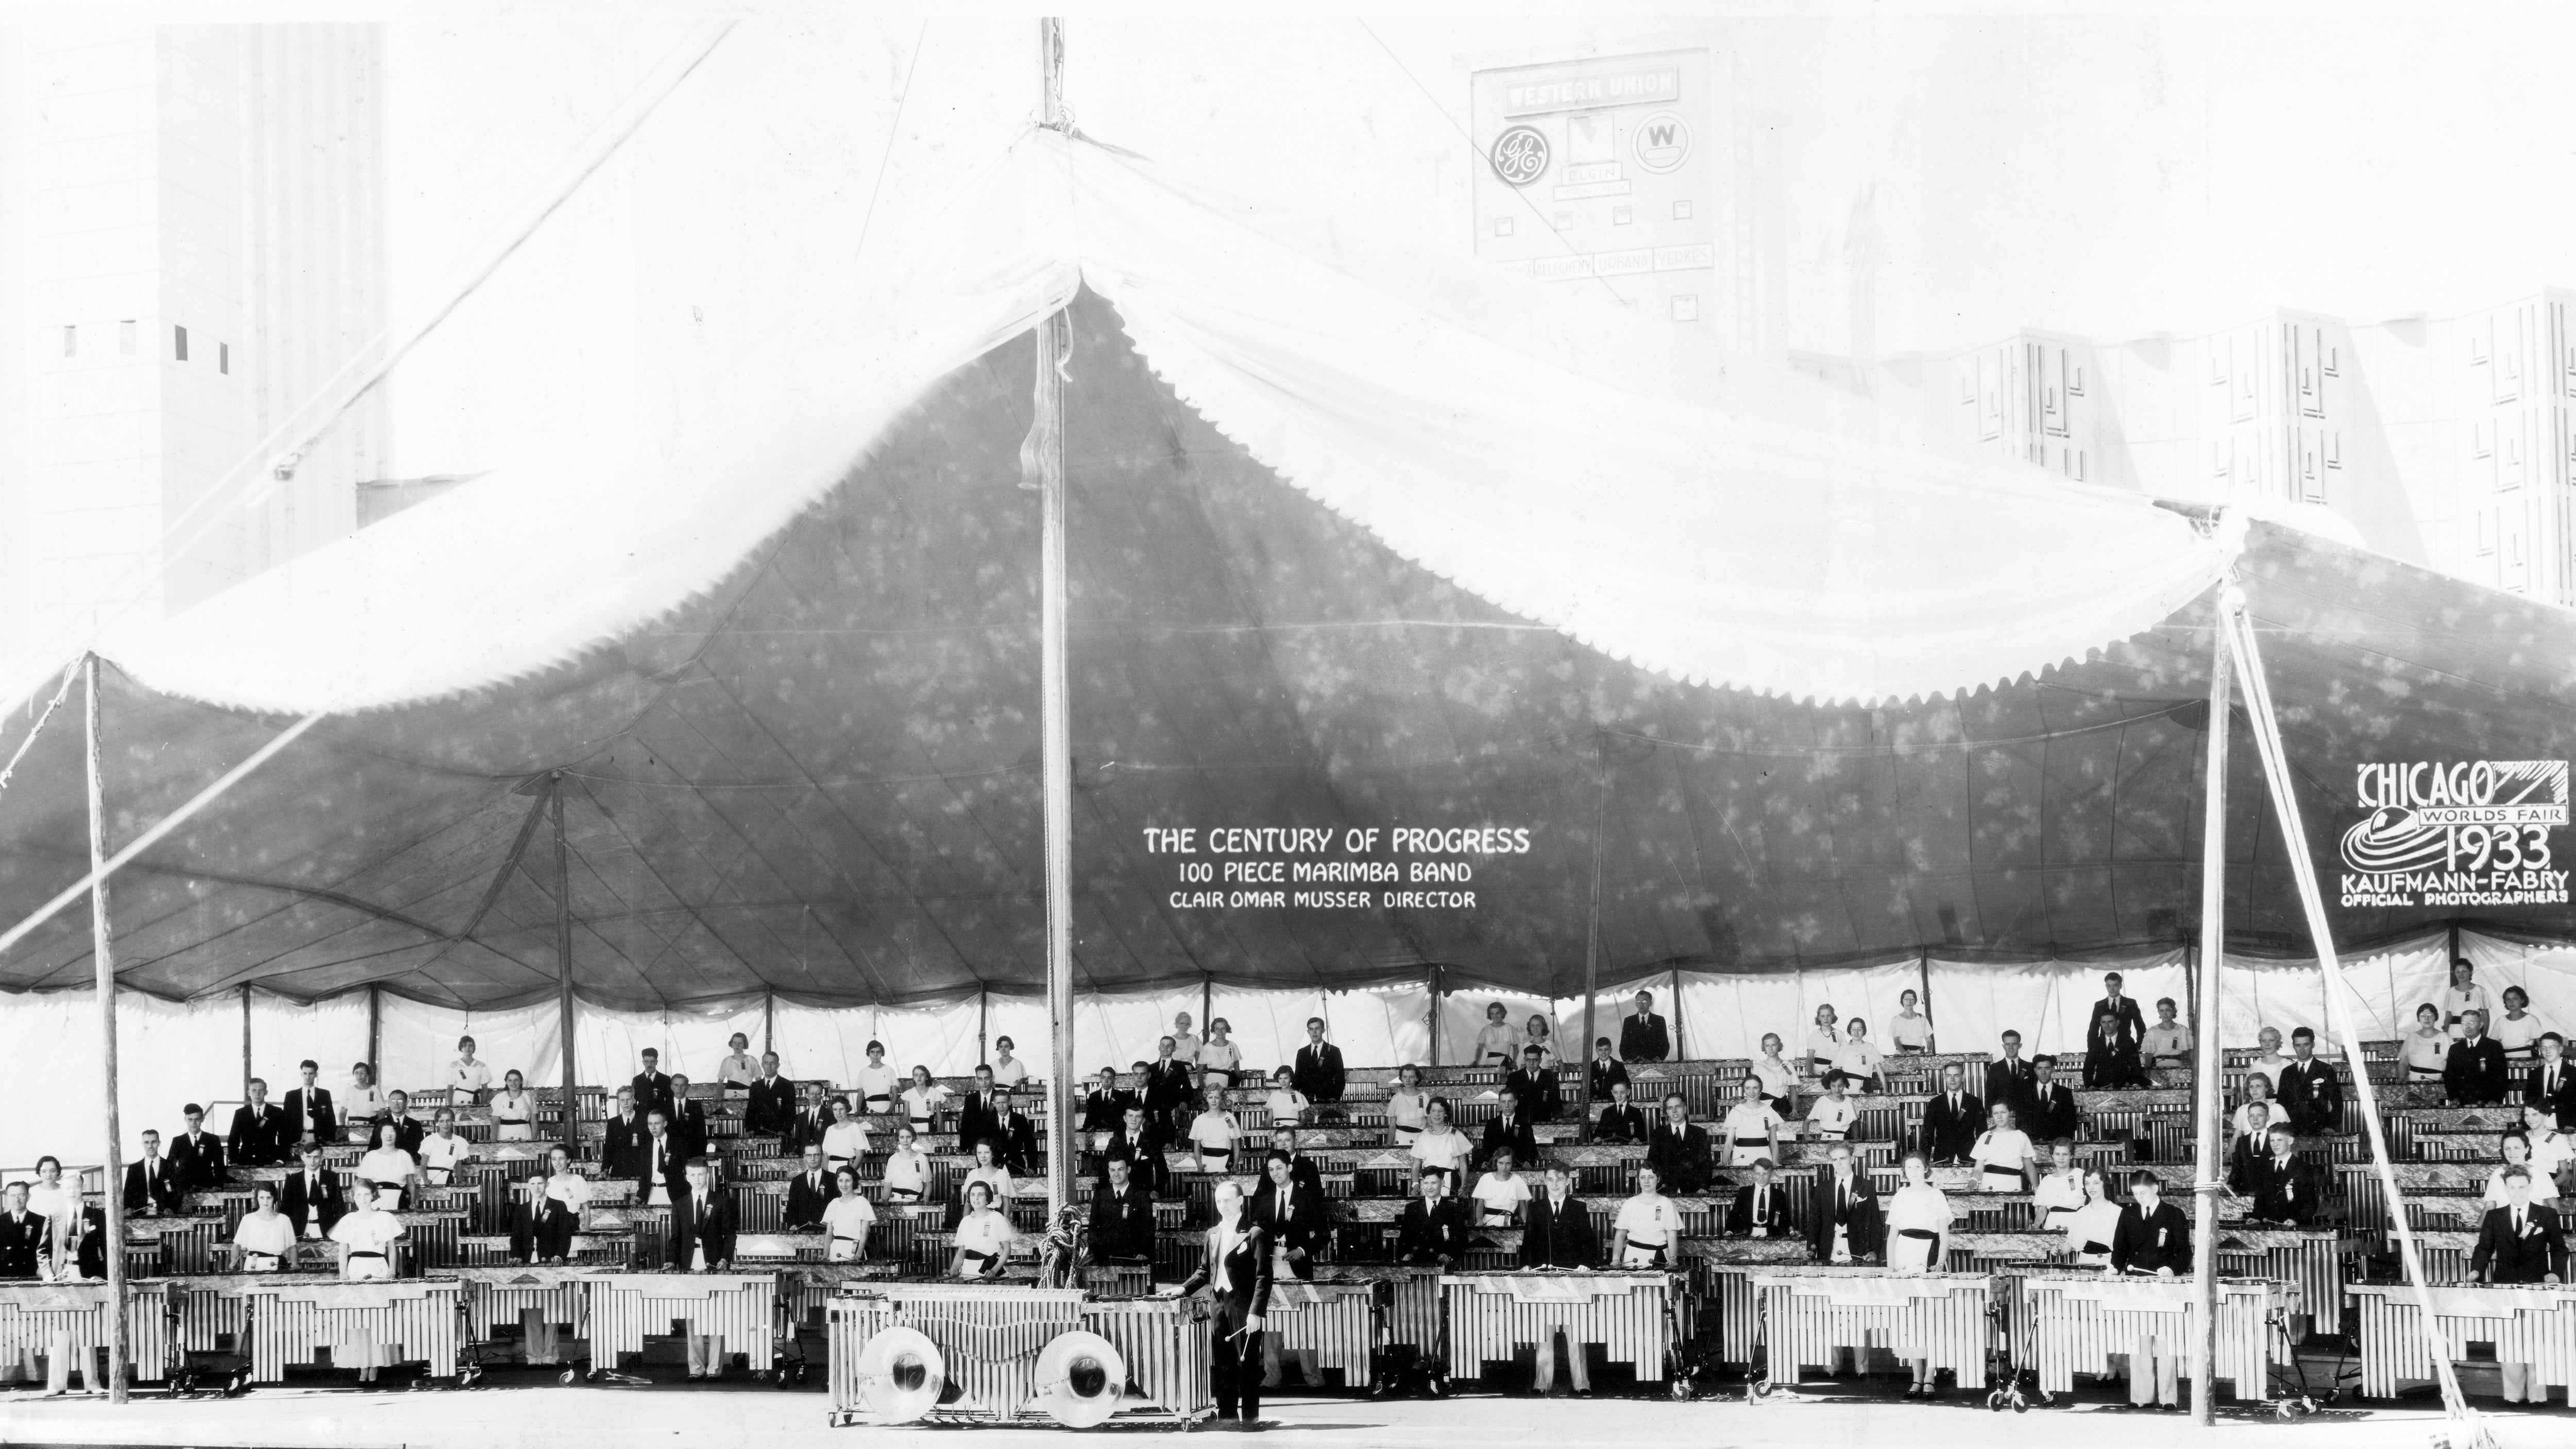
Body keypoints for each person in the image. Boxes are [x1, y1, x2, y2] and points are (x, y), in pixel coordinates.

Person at [1167, 1178, 1272, 1427]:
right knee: (1224, 1363)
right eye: (1218, 1201)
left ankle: (1250, 1418)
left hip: (1244, 1307)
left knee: (1246, 1364)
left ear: (1240, 1201)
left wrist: (1256, 1313)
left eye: (1227, 1200)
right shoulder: (1212, 1234)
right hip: (1218, 1304)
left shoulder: (1254, 1233)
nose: (1222, 1205)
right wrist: (1183, 1288)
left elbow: (1264, 1277)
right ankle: (1226, 1415)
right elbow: (1205, 1270)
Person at [2475, 1165, 2569, 1404]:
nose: (2517, 1191)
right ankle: (2513, 1397)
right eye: (2512, 1187)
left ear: (2530, 1187)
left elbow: (2560, 1250)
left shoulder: (2546, 1215)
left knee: (2538, 1341)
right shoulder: (2495, 1217)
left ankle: (2538, 1398)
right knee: (2509, 1341)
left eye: (2522, 1187)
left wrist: (2556, 1273)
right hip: (2505, 1287)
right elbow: (2484, 1248)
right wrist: (2477, 1270)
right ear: (2505, 1188)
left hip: (2538, 1286)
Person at [2108, 1170, 2190, 1410]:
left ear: (2155, 1188)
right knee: (2140, 1342)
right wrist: (2115, 1268)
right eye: (2135, 1194)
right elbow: (2120, 1247)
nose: (2139, 1198)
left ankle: (2168, 1398)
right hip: (2136, 1285)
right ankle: (2141, 1395)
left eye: (2143, 1193)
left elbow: (2185, 1253)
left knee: (2165, 1342)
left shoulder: (2174, 1214)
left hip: (2164, 1285)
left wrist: (2172, 1269)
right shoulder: (2129, 1213)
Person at [1253, 1151, 1328, 1389]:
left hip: (1297, 1264)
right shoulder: (1263, 1199)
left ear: (1290, 1168)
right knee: (1271, 1323)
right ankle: (1272, 1376)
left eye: (1280, 1168)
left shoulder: (1307, 1197)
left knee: (1305, 1322)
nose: (1275, 1174)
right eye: (1271, 1170)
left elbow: (1324, 1235)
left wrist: (1303, 1250)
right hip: (1270, 1266)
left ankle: (1314, 1378)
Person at [1885, 1152, 1955, 1397]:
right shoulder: (1900, 1196)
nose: (1914, 1171)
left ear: (1926, 1169)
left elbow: (1945, 1236)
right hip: (1905, 1255)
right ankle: (1916, 1378)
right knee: (1911, 1320)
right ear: (1904, 1171)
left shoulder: (1936, 1195)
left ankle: (1930, 1377)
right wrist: (1891, 1267)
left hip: (1929, 1254)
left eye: (1918, 1166)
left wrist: (1939, 1262)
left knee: (1932, 1319)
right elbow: (1892, 1236)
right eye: (1909, 1167)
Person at [333, 1183, 406, 1380]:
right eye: (359, 1195)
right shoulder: (348, 1219)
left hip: (378, 1267)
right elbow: (342, 1251)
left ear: (373, 1196)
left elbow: (391, 1247)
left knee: (378, 1318)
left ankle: (375, 1365)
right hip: (356, 1267)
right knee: (358, 1318)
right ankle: (362, 1365)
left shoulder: (385, 1218)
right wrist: (343, 1274)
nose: (363, 1199)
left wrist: (392, 1269)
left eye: (367, 1195)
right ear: (353, 1197)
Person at [2233, 1122, 2328, 1224]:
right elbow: (2260, 1200)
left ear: (2290, 1141)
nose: (2275, 1144)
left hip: (2293, 1228)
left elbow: (2310, 1203)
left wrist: (2296, 1220)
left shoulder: (2303, 1168)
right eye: (2272, 1140)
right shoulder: (2264, 1167)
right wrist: (2257, 1218)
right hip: (2268, 1229)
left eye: (2280, 1140)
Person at [1808, 1141, 1884, 1266]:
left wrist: (1874, 1251)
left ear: (1852, 1159)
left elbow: (1875, 1223)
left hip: (1859, 1252)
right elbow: (1814, 1222)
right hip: (1828, 1250)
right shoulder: (1823, 1188)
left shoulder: (1866, 1186)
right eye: (1834, 1159)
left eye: (1843, 1158)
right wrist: (1810, 1249)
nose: (1838, 1163)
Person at [1611, 1164, 1685, 1269]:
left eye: (1651, 1177)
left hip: (1660, 1259)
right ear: (1639, 1180)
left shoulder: (1667, 1204)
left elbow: (1672, 1235)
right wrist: (1615, 1259)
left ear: (1658, 1179)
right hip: (1633, 1259)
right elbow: (1620, 1235)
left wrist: (1673, 1258)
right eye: (1643, 1177)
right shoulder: (1629, 1204)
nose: (1646, 1181)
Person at [526, 1145, 588, 1264]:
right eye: (554, 1159)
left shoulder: (577, 1180)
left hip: (569, 1220)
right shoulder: (548, 1182)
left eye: (561, 1159)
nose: (557, 1163)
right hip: (550, 1219)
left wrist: (587, 1229)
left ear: (568, 1160)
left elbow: (585, 1208)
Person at [1089, 1155, 1157, 1266]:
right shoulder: (1100, 1196)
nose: (1116, 1174)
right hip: (1106, 1258)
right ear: (1109, 1171)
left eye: (1120, 1169)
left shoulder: (1141, 1195)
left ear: (1128, 1170)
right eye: (1113, 1170)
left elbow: (1148, 1227)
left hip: (1134, 1258)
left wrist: (1143, 1252)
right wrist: (1096, 1254)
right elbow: (1093, 1227)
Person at [1396, 1168, 1468, 1268]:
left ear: (1442, 1184)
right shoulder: (1412, 1208)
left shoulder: (1454, 1209)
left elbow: (1462, 1240)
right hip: (1416, 1264)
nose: (1429, 1187)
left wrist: (1450, 1256)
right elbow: (1404, 1238)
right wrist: (1405, 1254)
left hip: (1443, 1265)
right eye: (1426, 1183)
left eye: (1434, 1183)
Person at [2277, 1027, 2344, 1134]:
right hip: (2293, 1131)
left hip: (2320, 1130)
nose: (2302, 1050)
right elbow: (2281, 1103)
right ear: (2294, 1046)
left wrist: (2332, 1126)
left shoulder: (2326, 1070)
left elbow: (2337, 1102)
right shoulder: (2287, 1073)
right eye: (2298, 1045)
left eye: (2306, 1045)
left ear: (2313, 1045)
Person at [1646, 1093, 1713, 1197]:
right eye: (1670, 1108)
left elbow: (1706, 1164)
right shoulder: (1658, 1134)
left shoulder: (1699, 1133)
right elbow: (1652, 1163)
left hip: (1693, 1191)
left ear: (1685, 1109)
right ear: (1667, 1111)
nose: (1674, 1111)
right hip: (1665, 1191)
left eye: (1678, 1107)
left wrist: (1703, 1187)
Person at [950, 1180, 1015, 1281]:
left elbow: (1007, 1249)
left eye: (980, 1195)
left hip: (989, 1272)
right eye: (972, 1195)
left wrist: (994, 1271)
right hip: (968, 1273)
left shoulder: (996, 1217)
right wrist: (953, 1270)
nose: (976, 1198)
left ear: (988, 1197)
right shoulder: (965, 1221)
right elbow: (961, 1253)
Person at [1409, 1098, 1476, 1195]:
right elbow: (1416, 1166)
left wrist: (1463, 1185)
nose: (1437, 1114)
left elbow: (1463, 1165)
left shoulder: (1455, 1134)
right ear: (1429, 1113)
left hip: (1450, 1182)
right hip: (1429, 1182)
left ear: (1446, 1113)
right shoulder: (1423, 1136)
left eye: (1440, 1111)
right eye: (1433, 1111)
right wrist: (1415, 1185)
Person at [281, 1140, 344, 1241]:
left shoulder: (331, 1178)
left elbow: (340, 1208)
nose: (312, 1161)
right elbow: (285, 1210)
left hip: (326, 1230)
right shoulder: (293, 1180)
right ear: (302, 1157)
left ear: (322, 1158)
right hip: (299, 1231)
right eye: (309, 1157)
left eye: (316, 1157)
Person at [1921, 1064, 1984, 1166]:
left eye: (1957, 1076)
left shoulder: (1975, 1102)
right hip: (1942, 1159)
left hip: (1969, 1159)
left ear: (1963, 1077)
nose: (1952, 1080)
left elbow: (1982, 1134)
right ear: (1945, 1077)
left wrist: (1982, 1161)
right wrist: (1924, 1161)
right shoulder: (1935, 1103)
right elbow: (1927, 1135)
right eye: (1949, 1076)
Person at [2446, 1009, 2511, 1105]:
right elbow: (2450, 1077)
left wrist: (2495, 1100)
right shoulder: (2455, 1049)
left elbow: (2501, 1076)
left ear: (2480, 1025)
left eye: (2471, 1023)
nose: (2467, 1027)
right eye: (2464, 1023)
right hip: (2462, 1103)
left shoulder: (2494, 1047)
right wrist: (2454, 1097)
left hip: (2488, 1103)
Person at [1719, 1073, 1784, 1168]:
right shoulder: (1737, 1111)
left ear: (1760, 1089)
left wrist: (1774, 1163)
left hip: (1764, 1157)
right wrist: (1724, 1164)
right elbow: (1729, 1143)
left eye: (1755, 1088)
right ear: (1744, 1090)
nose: (1752, 1092)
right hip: (1741, 1157)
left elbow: (1774, 1143)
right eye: (1748, 1088)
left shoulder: (1769, 1111)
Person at [2061, 1168, 2122, 1268]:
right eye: (2087, 1184)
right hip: (2084, 1264)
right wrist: (2060, 1250)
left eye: (2096, 1183)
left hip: (2109, 1266)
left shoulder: (2118, 1212)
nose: (2091, 1188)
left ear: (2104, 1185)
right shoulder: (2081, 1213)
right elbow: (2070, 1243)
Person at [1970, 1102, 2036, 1192]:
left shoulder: (2021, 1136)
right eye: (1996, 1113)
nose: (1999, 1117)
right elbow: (1978, 1168)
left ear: (2011, 1113)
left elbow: (2029, 1167)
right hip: (1989, 1185)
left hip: (2013, 1185)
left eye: (2003, 1112)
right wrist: (1970, 1186)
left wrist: (2037, 1189)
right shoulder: (1985, 1136)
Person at [228, 1077, 292, 1168]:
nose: (258, 1094)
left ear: (266, 1092)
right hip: (247, 1162)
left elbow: (285, 1138)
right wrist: (234, 1161)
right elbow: (233, 1139)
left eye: (261, 1090)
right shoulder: (241, 1113)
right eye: (254, 1090)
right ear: (249, 1093)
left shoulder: (276, 1112)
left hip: (270, 1162)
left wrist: (280, 1160)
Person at [232, 1183, 296, 1271]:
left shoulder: (284, 1220)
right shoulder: (248, 1219)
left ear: (274, 1199)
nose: (265, 1202)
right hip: (253, 1265)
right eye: (262, 1198)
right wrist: (233, 1262)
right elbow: (236, 1245)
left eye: (269, 1198)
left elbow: (292, 1246)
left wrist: (295, 1265)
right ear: (257, 1199)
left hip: (276, 1265)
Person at [357, 1120, 419, 1210]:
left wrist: (413, 1202)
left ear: (397, 1134)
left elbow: (411, 1184)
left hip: (399, 1200)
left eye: (392, 1133)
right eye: (385, 1133)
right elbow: (362, 1184)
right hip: (375, 1200)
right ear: (380, 1135)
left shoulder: (404, 1155)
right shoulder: (371, 1156)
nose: (389, 1136)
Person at [1470, 1145, 1534, 1229]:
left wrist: (1527, 1224)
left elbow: (1523, 1207)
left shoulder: (1518, 1180)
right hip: (1487, 1225)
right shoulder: (1486, 1178)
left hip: (1509, 1226)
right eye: (1501, 1163)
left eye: (1508, 1164)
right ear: (1496, 1162)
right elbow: (1480, 1206)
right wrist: (1479, 1221)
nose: (1504, 1168)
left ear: (1512, 1163)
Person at [1477, 1087, 1539, 1171]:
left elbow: (1532, 1149)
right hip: (1497, 1170)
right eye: (1503, 1102)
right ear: (1499, 1104)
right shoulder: (1492, 1125)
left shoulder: (1525, 1124)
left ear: (1516, 1103)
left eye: (1510, 1101)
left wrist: (1529, 1163)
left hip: (1519, 1169)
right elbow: (1486, 1149)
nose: (1507, 1106)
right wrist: (1485, 1162)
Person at [2083, 1009, 2148, 1089]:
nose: (2106, 1025)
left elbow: (2135, 1066)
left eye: (2110, 1022)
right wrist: (2090, 1085)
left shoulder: (2128, 1041)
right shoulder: (2096, 1043)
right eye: (2103, 1022)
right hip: (2101, 1088)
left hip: (2125, 1088)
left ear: (2117, 1023)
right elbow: (2088, 1068)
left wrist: (2135, 1084)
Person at [1727, 1158, 1791, 1238]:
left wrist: (1792, 1231)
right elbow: (1734, 1215)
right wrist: (1729, 1231)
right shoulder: (1744, 1192)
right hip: (1747, 1235)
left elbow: (1785, 1218)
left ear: (1771, 1174)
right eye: (1758, 1173)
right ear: (1753, 1174)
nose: (1761, 1177)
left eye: (1765, 1173)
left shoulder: (1779, 1194)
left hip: (1771, 1236)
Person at [822, 1166, 875, 1263]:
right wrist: (825, 1255)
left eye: (848, 1181)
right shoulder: (833, 1204)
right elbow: (829, 1235)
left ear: (854, 1182)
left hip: (854, 1250)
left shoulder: (862, 1202)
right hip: (835, 1251)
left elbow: (864, 1234)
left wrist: (858, 1255)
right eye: (841, 1181)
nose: (844, 1185)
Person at [1143, 1038, 1195, 1136]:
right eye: (1163, 1045)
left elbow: (1187, 1086)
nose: (1165, 1048)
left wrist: (1184, 1100)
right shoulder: (1151, 1067)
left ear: (1174, 1049)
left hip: (1172, 1107)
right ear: (1159, 1048)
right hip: (1154, 1107)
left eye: (1169, 1046)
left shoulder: (1179, 1066)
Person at [2030, 1141, 2084, 1235]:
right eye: (2057, 1154)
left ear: (2071, 1156)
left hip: (2075, 1222)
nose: (2061, 1158)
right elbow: (2043, 1209)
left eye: (2065, 1154)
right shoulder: (2047, 1180)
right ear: (2052, 1156)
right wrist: (2036, 1225)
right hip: (2052, 1224)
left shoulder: (2080, 1174)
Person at [168, 1102, 226, 1190]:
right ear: (185, 1119)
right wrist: (174, 1186)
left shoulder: (212, 1140)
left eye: (197, 1119)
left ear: (203, 1119)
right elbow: (170, 1166)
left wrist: (218, 1185)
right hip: (184, 1188)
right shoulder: (178, 1141)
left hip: (207, 1187)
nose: (194, 1123)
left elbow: (220, 1165)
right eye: (190, 1120)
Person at [283, 1059, 339, 1148]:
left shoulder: (324, 1094)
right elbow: (286, 1122)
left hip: (319, 1138)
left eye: (311, 1074)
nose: (308, 1077)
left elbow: (331, 1119)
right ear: (301, 1074)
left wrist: (330, 1139)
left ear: (316, 1075)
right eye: (305, 1073)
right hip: (298, 1139)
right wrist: (288, 1141)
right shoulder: (291, 1096)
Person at [124, 1130, 182, 1216]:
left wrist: (171, 1208)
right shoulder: (134, 1169)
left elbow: (177, 1192)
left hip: (164, 1215)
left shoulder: (170, 1166)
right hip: (139, 1215)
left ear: (159, 1143)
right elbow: (127, 1193)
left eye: (154, 1142)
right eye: (147, 1142)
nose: (150, 1146)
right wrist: (128, 1208)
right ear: (142, 1144)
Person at [2025, 1055, 2080, 1143]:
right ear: (2035, 1070)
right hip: (2032, 1146)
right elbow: (2021, 1123)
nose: (2043, 1072)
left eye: (2047, 1068)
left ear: (2052, 1069)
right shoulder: (2026, 1093)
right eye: (2040, 1069)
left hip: (2057, 1147)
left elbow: (2071, 1124)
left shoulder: (2065, 1093)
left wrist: (2060, 1144)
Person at [637, 1109, 686, 1208]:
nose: (653, 1128)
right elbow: (644, 1176)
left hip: (674, 1195)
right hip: (652, 1194)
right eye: (650, 1124)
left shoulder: (677, 1144)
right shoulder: (646, 1147)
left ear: (665, 1124)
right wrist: (640, 1195)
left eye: (657, 1123)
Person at [2528, 1032, 2575, 1133]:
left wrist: (2572, 1124)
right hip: (2540, 1124)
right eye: (2544, 1048)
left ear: (2561, 1049)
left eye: (2552, 1047)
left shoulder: (2573, 1073)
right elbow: (2529, 1103)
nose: (2547, 1051)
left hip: (2567, 1125)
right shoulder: (2534, 1075)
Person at [2092, 972, 2148, 1053]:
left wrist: (2138, 1046)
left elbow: (2140, 1027)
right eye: (2109, 986)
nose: (2112, 989)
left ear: (2120, 986)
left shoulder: (2130, 1004)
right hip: (2105, 1047)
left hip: (2126, 1047)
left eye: (2115, 985)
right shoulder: (2100, 1005)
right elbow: (2093, 1030)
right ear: (2106, 986)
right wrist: (2092, 1048)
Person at [1292, 1018, 1345, 1104]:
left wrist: (1335, 1098)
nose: (1314, 1032)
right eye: (1311, 1029)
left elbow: (1340, 1078)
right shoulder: (1302, 1052)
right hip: (1306, 1100)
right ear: (1308, 1032)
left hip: (1328, 1099)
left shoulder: (1333, 1051)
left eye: (1317, 1029)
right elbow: (1298, 1077)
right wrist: (1291, 1097)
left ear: (1323, 1030)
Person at [1188, 1085, 1241, 1172]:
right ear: (1206, 1099)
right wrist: (1200, 1166)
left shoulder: (1229, 1119)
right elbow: (1197, 1148)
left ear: (1222, 1098)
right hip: (1207, 1164)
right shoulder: (1199, 1120)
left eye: (1217, 1097)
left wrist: (1235, 1166)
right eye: (1210, 1097)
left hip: (1225, 1164)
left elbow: (1236, 1144)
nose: (1214, 1101)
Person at [782, 1145, 835, 1230]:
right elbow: (792, 1208)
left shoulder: (833, 1179)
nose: (813, 1159)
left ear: (822, 1156)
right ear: (804, 1157)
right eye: (809, 1155)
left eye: (816, 1155)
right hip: (803, 1232)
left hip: (828, 1231)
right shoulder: (797, 1181)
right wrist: (793, 1224)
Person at [1503, 1044, 1561, 1122]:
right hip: (1520, 1123)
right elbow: (1508, 1103)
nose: (1531, 1063)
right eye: (1528, 1060)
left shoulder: (1550, 1077)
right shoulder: (1514, 1077)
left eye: (1535, 1060)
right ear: (1524, 1059)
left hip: (1544, 1122)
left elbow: (1556, 1103)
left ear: (1540, 1060)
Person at [2140, 998, 2191, 1083]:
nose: (2165, 1013)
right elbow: (2146, 1057)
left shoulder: (2183, 1030)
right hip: (2157, 1073)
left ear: (2173, 1011)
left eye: (2168, 1010)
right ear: (2159, 1012)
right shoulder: (2152, 1031)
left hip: (2179, 1072)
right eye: (2162, 1010)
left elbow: (2191, 1055)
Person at [744, 1052, 796, 1137]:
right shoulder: (755, 1086)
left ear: (778, 1065)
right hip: (758, 1134)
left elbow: (791, 1113)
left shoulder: (787, 1085)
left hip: (779, 1135)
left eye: (773, 1063)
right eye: (766, 1063)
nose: (769, 1066)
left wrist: (785, 1131)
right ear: (762, 1065)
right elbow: (750, 1111)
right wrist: (750, 1130)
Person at [419, 1108, 473, 1189]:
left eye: (448, 1121)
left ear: (453, 1121)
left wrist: (459, 1180)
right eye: (442, 1121)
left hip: (448, 1179)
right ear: (437, 1123)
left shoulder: (460, 1141)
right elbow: (423, 1165)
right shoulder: (430, 1140)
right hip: (429, 1180)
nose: (445, 1124)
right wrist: (426, 1181)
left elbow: (458, 1165)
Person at [2442, 957, 2493, 1039]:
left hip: (2475, 1034)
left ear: (2471, 972)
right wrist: (2445, 1036)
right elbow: (2448, 1018)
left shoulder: (2480, 990)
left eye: (2464, 971)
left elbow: (2486, 1017)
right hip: (2455, 1034)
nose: (2461, 974)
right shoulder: (2450, 992)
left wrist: (2484, 1037)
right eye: (2458, 971)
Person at [821, 1094, 871, 1174]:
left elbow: (860, 1156)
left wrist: (850, 1173)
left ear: (847, 1109)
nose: (838, 1113)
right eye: (835, 1110)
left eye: (841, 1109)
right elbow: (825, 1156)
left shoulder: (855, 1128)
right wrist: (825, 1175)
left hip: (849, 1169)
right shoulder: (830, 1130)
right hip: (831, 1171)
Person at [962, 1139, 1014, 1216]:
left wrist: (1005, 1225)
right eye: (979, 1153)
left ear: (993, 1154)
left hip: (995, 1218)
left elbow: (1006, 1205)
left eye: (987, 1153)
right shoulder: (972, 1175)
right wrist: (965, 1224)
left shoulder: (1002, 1175)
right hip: (976, 1219)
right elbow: (968, 1204)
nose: (983, 1156)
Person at [2402, 1002, 2450, 1085]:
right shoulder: (2411, 1037)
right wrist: (2402, 1080)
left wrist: (2447, 1078)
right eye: (2423, 1016)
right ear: (2418, 1018)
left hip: (2438, 1082)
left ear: (2436, 1017)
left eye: (2430, 1015)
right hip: (2414, 1082)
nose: (2426, 1018)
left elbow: (2453, 1063)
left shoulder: (2445, 1037)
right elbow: (2403, 1063)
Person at [1801, 1072, 1857, 1142]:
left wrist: (1855, 1139)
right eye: (1834, 1086)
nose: (1837, 1090)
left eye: (1840, 1086)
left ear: (1844, 1085)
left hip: (1846, 1140)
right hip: (1827, 1140)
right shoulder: (1823, 1101)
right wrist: (1807, 1136)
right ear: (1829, 1086)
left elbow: (1854, 1122)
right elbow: (1807, 1122)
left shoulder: (1848, 1101)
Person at [1833, 1017, 1885, 1093]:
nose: (1856, 1033)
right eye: (1853, 1029)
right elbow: (1838, 1072)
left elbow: (1879, 1071)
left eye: (1859, 1029)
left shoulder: (1869, 1047)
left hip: (1863, 1089)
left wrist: (1885, 1090)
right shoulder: (1844, 1048)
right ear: (1850, 1031)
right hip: (1846, 1089)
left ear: (1864, 1031)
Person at [900, 1065, 953, 1137]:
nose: (919, 1077)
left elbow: (939, 1116)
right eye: (916, 1075)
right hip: (913, 1129)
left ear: (927, 1077)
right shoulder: (908, 1094)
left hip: (930, 1128)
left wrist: (939, 1133)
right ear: (914, 1078)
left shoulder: (935, 1093)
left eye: (922, 1075)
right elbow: (906, 1117)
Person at [882, 1127, 931, 1204]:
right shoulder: (893, 1159)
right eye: (902, 1137)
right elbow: (888, 1185)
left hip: (916, 1202)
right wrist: (884, 1200)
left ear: (913, 1138)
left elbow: (928, 1184)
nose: (905, 1141)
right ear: (898, 1139)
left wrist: (926, 1197)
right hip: (895, 1202)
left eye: (908, 1137)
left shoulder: (922, 1158)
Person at [1384, 1064, 1430, 1148]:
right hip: (1401, 1139)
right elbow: (1392, 1125)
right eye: (1405, 1077)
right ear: (1401, 1078)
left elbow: (1430, 1122)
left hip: (1420, 1138)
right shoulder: (1397, 1098)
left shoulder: (1424, 1097)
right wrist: (1389, 1143)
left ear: (1417, 1078)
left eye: (1411, 1077)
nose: (1408, 1080)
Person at [1620, 990, 1671, 1063]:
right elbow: (1623, 1044)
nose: (1641, 1004)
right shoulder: (1629, 1021)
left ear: (1651, 1003)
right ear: (1635, 1004)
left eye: (1644, 1001)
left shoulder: (1659, 1020)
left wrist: (1659, 1057)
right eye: (1638, 1001)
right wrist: (1627, 1059)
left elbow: (1664, 1043)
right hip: (1634, 1063)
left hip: (1653, 1063)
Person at [2495, 987, 2543, 1063]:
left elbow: (2541, 1043)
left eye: (2515, 999)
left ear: (2522, 1000)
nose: (2511, 1002)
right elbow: (2492, 1044)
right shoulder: (2501, 1021)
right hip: (2504, 1061)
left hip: (2527, 1061)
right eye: (2508, 999)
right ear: (2505, 1002)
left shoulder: (2531, 1020)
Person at [666, 1073, 708, 1161]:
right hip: (670, 1153)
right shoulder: (664, 1106)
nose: (679, 1088)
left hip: (691, 1153)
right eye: (676, 1085)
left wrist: (701, 1155)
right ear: (671, 1087)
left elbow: (701, 1133)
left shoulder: (695, 1106)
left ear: (687, 1087)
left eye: (682, 1085)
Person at [785, 1082, 835, 1157]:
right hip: (805, 1157)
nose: (815, 1096)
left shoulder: (830, 1116)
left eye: (818, 1093)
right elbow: (798, 1140)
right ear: (807, 1095)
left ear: (822, 1096)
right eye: (812, 1093)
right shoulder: (800, 1117)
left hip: (824, 1157)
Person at [1752, 1033, 1798, 1113]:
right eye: (1767, 1046)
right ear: (1764, 1048)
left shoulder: (1787, 1066)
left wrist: (1794, 1110)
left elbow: (1793, 1090)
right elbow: (1753, 1090)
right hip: (1765, 1106)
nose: (1770, 1048)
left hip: (1783, 1106)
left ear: (1779, 1046)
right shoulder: (1759, 1067)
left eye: (1773, 1045)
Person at [852, 1041, 900, 1116]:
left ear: (882, 1054)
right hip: (869, 1111)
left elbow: (895, 1094)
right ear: (869, 1054)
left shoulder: (889, 1070)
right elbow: (860, 1096)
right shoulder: (863, 1072)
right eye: (872, 1052)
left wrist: (890, 1110)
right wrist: (858, 1112)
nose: (875, 1055)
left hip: (887, 1110)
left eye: (878, 1052)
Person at [1595, 1079, 1650, 1144]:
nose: (1619, 1096)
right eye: (1616, 1093)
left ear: (1628, 1092)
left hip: (1629, 1150)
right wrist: (1598, 1138)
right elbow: (1598, 1133)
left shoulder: (1636, 1112)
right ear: (1612, 1093)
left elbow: (1643, 1136)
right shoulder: (1607, 1112)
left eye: (1622, 1092)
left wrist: (1637, 1140)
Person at [487, 1069, 536, 1142]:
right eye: (510, 1080)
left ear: (521, 1081)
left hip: (524, 1134)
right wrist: (494, 1141)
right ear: (506, 1082)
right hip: (505, 1134)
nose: (513, 1083)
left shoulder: (529, 1097)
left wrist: (534, 1141)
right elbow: (495, 1122)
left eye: (516, 1080)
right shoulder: (500, 1097)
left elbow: (534, 1121)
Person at [2232, 1072, 2281, 1141]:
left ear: (2266, 1088)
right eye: (2251, 1087)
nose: (2254, 1090)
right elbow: (2235, 1139)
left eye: (2258, 1086)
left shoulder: (2278, 1109)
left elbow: (2285, 1137)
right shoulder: (2242, 1110)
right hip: (2249, 1150)